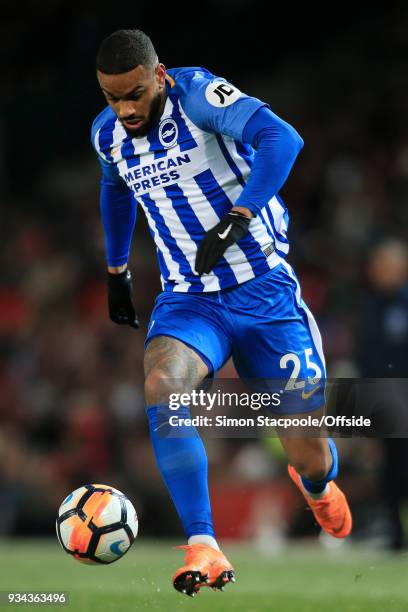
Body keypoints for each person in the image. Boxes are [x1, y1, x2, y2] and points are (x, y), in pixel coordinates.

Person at [91, 29, 352, 597]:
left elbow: (282, 139)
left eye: (135, 93)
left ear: (159, 76)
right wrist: (117, 271)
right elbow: (115, 190)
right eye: (113, 97)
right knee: (163, 383)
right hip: (190, 300)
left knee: (305, 445)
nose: (125, 108)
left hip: (265, 294)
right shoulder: (107, 135)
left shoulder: (200, 96)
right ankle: (202, 543)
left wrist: (239, 214)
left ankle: (315, 482)